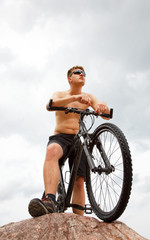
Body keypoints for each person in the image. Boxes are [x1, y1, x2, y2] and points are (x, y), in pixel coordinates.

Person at [28, 65, 110, 217]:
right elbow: (50, 104)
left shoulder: (89, 97)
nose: (82, 75)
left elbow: (104, 114)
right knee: (52, 151)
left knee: (79, 180)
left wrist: (102, 106)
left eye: (84, 73)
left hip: (79, 139)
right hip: (61, 137)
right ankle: (49, 200)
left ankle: (79, 221)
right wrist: (75, 98)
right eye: (77, 73)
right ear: (69, 78)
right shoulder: (60, 94)